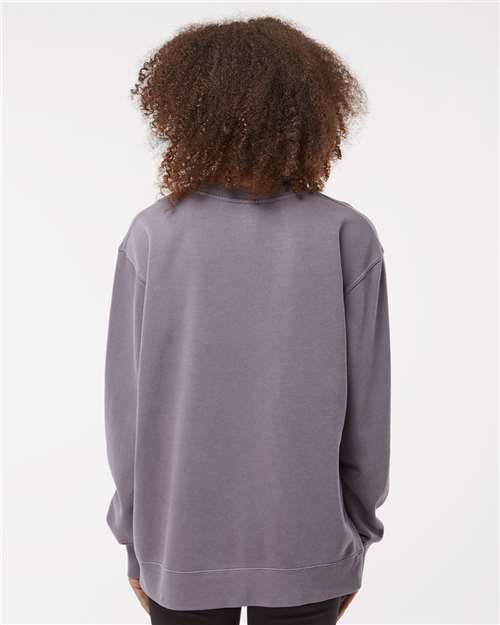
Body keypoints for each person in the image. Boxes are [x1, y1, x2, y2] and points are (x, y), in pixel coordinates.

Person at [104, 16, 391, 625]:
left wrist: (135, 539)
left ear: (185, 111)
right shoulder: (345, 234)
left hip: (177, 543)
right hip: (308, 546)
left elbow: (128, 415)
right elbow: (369, 416)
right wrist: (355, 539)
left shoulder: (154, 234)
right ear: (310, 111)